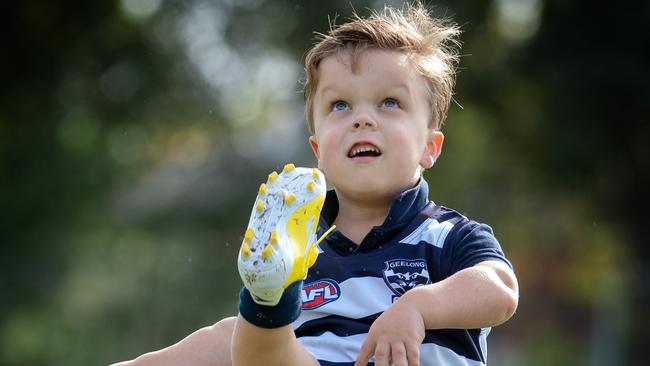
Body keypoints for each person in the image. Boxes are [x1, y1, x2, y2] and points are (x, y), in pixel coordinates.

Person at [112, 2, 519, 365]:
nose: (363, 118)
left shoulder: (448, 237)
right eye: (339, 105)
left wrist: (418, 306)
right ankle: (269, 298)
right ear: (318, 150)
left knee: (254, 331)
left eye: (389, 103)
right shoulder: (301, 247)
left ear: (429, 148)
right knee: (254, 335)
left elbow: (500, 290)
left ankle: (268, 304)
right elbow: (222, 342)